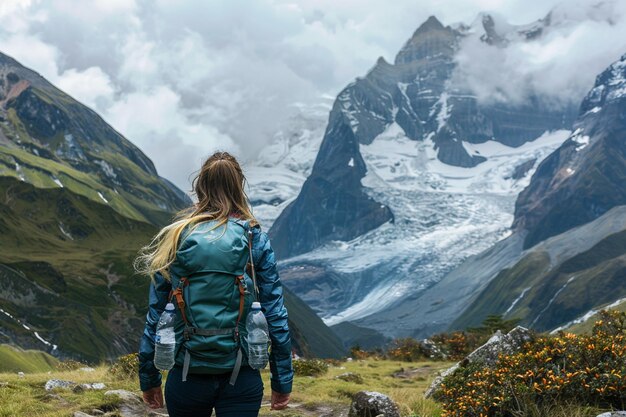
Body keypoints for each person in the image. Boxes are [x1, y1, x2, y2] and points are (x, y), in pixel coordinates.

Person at [135, 151, 293, 417]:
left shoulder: (177, 237)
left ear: (200, 187)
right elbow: (275, 315)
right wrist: (282, 381)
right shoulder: (254, 239)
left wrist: (149, 378)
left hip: (186, 376)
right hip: (241, 376)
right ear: (239, 186)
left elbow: (157, 315)